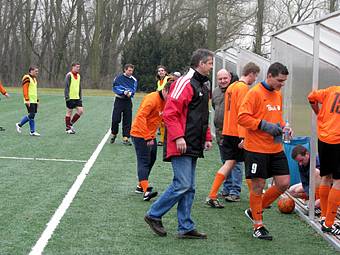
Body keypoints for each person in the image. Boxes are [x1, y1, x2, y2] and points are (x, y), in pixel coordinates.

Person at [144, 49, 213, 239]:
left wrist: (207, 137)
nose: (211, 66)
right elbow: (170, 113)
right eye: (209, 63)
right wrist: (178, 137)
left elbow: (203, 115)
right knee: (182, 184)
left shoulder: (203, 85)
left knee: (189, 186)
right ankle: (154, 214)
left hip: (192, 142)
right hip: (181, 142)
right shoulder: (185, 82)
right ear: (200, 63)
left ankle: (185, 227)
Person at [238, 62, 291, 240]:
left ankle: (254, 210)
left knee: (284, 183)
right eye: (279, 80)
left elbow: (277, 118)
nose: (281, 84)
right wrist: (263, 125)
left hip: (275, 148)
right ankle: (258, 225)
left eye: (284, 81)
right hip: (256, 148)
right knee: (258, 185)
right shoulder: (254, 93)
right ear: (269, 76)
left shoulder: (278, 94)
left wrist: (284, 127)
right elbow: (242, 117)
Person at [206, 63, 260, 208]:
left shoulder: (231, 87)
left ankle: (212, 195)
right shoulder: (242, 88)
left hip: (227, 131)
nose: (255, 79)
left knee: (229, 163)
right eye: (256, 76)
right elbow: (243, 114)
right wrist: (243, 137)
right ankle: (256, 198)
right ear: (252, 73)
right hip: (238, 133)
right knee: (248, 164)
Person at [131, 81, 172, 201]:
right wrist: (147, 137)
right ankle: (145, 191)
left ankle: (141, 185)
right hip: (139, 133)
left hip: (150, 133)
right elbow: (141, 117)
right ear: (164, 90)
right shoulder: (152, 99)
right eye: (170, 94)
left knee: (152, 158)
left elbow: (161, 116)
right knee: (144, 160)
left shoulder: (165, 100)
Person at [308, 85, 340, 235]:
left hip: (324, 137)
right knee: (339, 181)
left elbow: (311, 97)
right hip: (338, 140)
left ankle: (323, 216)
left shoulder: (332, 90)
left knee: (326, 176)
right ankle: (329, 223)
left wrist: (319, 113)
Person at [110, 64, 138, 145]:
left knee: (127, 120)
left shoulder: (134, 80)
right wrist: (123, 92)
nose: (130, 72)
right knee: (115, 119)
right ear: (125, 70)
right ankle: (114, 133)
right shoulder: (118, 78)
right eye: (129, 70)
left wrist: (130, 93)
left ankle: (126, 137)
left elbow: (133, 90)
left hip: (128, 102)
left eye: (132, 71)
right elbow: (115, 88)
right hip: (119, 100)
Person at [289, 145, 321, 211]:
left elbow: (327, 180)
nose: (300, 164)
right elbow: (305, 182)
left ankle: (318, 200)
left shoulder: (317, 160)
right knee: (292, 191)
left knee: (316, 172)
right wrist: (309, 194)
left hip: (324, 188)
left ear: (307, 154)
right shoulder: (301, 164)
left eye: (301, 160)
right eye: (298, 162)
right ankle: (312, 199)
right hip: (311, 185)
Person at [16, 66, 41, 136]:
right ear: (31, 71)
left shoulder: (35, 79)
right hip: (29, 100)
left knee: (32, 115)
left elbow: (34, 91)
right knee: (32, 114)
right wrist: (27, 99)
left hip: (34, 100)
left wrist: (37, 100)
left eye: (37, 71)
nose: (37, 72)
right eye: (36, 71)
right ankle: (19, 124)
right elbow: (25, 89)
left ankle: (32, 131)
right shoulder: (26, 77)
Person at [64, 62, 84, 134]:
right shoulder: (69, 75)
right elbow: (66, 87)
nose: (78, 68)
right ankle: (67, 129)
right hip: (70, 98)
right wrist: (67, 98)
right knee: (69, 112)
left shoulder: (78, 76)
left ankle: (70, 124)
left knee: (81, 111)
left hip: (77, 98)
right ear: (73, 67)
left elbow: (79, 87)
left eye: (79, 67)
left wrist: (80, 97)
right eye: (77, 67)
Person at [156, 65, 170, 146]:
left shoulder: (168, 79)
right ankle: (162, 139)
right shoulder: (158, 82)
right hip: (161, 103)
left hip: (168, 102)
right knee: (161, 121)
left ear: (165, 72)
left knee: (167, 121)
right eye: (159, 71)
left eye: (162, 70)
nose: (161, 72)